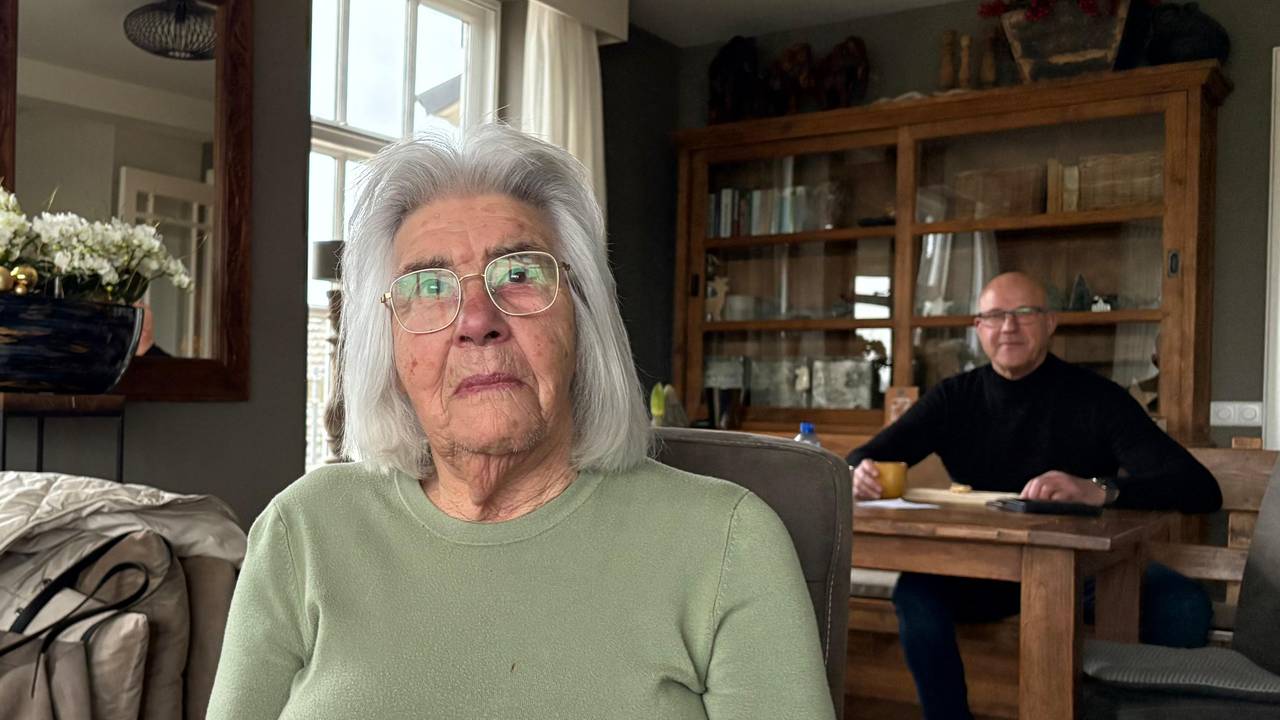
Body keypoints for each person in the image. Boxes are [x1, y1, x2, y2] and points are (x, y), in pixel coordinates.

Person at [207, 125, 834, 720]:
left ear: (582, 322)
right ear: (390, 346)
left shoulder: (727, 543)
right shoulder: (303, 530)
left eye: (521, 273)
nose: (477, 318)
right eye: (428, 285)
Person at [849, 271, 1221, 720]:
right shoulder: (954, 399)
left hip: (1086, 574)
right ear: (978, 328)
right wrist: (858, 472)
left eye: (1024, 313)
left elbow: (1200, 488)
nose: (1009, 326)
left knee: (1183, 604)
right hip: (986, 571)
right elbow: (867, 455)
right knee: (916, 595)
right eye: (995, 315)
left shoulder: (1098, 399)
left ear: (1050, 323)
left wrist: (1098, 490)